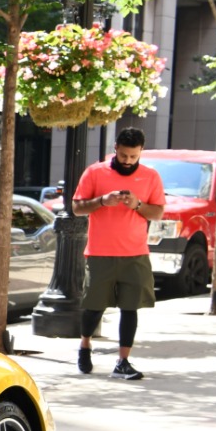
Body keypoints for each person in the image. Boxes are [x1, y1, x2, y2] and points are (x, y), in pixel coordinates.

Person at [72, 127, 166, 380]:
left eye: (133, 157)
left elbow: (157, 213)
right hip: (100, 252)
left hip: (135, 253)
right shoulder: (95, 172)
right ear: (116, 148)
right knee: (94, 306)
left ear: (141, 152)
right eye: (124, 155)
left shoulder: (150, 176)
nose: (127, 161)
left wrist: (137, 204)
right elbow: (77, 208)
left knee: (130, 308)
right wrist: (103, 201)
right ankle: (84, 345)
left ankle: (123, 361)